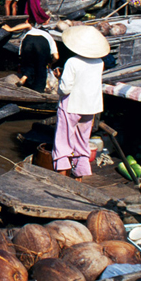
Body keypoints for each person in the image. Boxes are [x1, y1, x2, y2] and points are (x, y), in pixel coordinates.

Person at [53, 26, 108, 181]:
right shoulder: (99, 62)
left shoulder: (72, 62)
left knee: (63, 141)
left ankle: (62, 179)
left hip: (72, 104)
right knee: (82, 141)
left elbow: (65, 88)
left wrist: (59, 77)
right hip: (90, 106)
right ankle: (79, 178)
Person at [2, 22, 58, 93]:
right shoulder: (50, 37)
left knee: (28, 63)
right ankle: (38, 92)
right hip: (42, 44)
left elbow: (27, 24)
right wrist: (50, 62)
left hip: (28, 41)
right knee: (41, 69)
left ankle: (25, 76)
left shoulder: (33, 30)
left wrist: (10, 29)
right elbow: (56, 57)